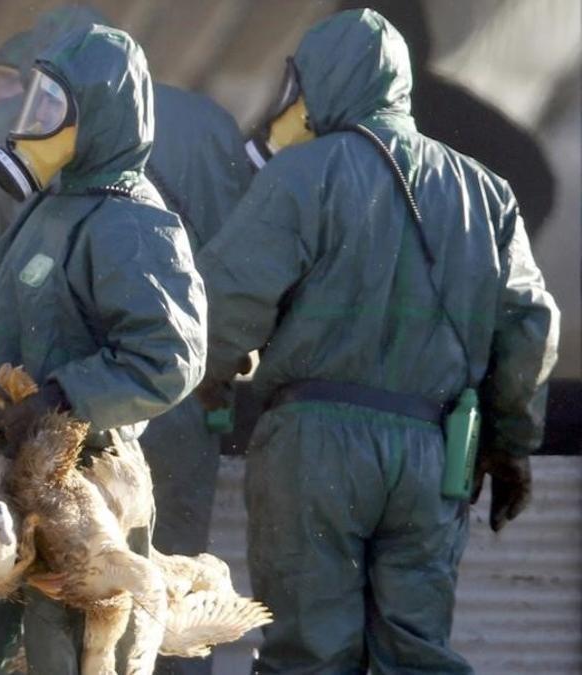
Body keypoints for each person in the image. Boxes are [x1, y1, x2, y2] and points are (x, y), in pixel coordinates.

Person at [196, 9, 559, 673]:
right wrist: (509, 444)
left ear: (320, 80)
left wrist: (210, 376)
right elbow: (531, 325)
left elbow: (226, 301)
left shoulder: (300, 174)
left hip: (313, 452)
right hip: (430, 454)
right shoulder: (486, 191)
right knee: (416, 652)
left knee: (307, 651)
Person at [0, 9, 248, 674]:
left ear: (101, 118)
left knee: (62, 648)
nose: (33, 119)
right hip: (4, 466)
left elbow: (170, 356)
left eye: (54, 105)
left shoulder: (131, 222)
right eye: (35, 99)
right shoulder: (53, 204)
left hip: (77, 484)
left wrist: (63, 395)